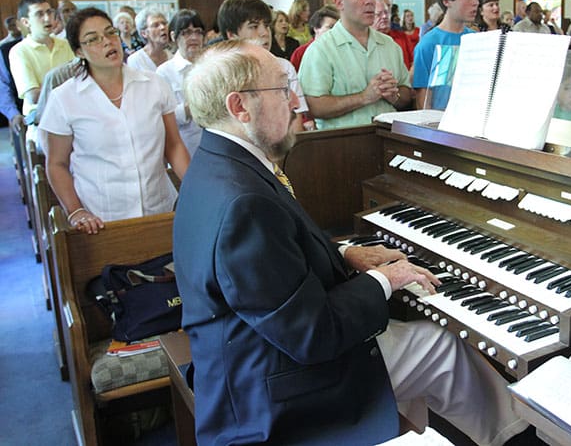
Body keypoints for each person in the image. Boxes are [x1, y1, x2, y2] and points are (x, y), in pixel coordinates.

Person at [174, 39, 530, 446]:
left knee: (421, 339)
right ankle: (512, 437)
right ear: (240, 107)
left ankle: (428, 429)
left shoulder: (216, 163)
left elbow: (274, 259)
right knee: (441, 348)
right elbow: (313, 334)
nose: (295, 101)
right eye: (281, 89)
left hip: (252, 349)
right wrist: (387, 280)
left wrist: (345, 253)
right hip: (274, 387)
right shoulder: (244, 202)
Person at [39, 7, 189, 235]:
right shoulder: (64, 98)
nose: (107, 42)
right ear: (79, 51)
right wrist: (76, 211)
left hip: (159, 210)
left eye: (110, 33)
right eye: (93, 39)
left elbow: (173, 145)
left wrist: (194, 188)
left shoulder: (154, 84)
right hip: (101, 220)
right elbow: (56, 164)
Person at [298, 0, 413, 129]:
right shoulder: (321, 49)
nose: (370, 1)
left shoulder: (389, 45)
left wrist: (394, 95)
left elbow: (406, 93)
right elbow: (313, 106)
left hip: (388, 138)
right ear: (339, 3)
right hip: (343, 143)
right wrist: (364, 97)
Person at [217, 0, 313, 132]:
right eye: (254, 26)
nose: (264, 33)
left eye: (267, 26)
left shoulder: (284, 67)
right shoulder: (220, 72)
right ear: (232, 35)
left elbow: (296, 118)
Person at [411, 0, 480, 110]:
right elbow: (424, 101)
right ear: (447, 1)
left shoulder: (475, 40)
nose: (476, 2)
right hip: (441, 124)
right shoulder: (428, 44)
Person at [9, 0, 74, 118]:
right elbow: (33, 96)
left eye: (49, 12)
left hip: (70, 115)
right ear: (25, 22)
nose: (47, 18)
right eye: (39, 14)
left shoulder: (65, 45)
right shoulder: (19, 51)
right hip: (41, 119)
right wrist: (69, 90)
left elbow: (80, 81)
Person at [157, 9, 206, 155]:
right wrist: (190, 108)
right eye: (186, 33)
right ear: (173, 36)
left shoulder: (211, 65)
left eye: (198, 32)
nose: (194, 38)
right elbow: (163, 118)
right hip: (184, 147)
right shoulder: (164, 72)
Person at [289, 5, 339, 71]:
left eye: (337, 27)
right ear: (316, 28)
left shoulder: (339, 51)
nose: (335, 31)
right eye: (330, 27)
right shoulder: (300, 53)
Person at [373, 0, 414, 69]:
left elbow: (414, 62)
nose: (385, 16)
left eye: (387, 12)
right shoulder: (365, 40)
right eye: (379, 14)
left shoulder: (402, 37)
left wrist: (407, 78)